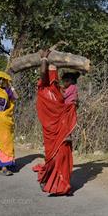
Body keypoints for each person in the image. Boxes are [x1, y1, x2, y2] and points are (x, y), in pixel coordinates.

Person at [32, 50, 77, 195]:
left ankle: (64, 184)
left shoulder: (59, 91)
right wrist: (44, 58)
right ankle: (47, 179)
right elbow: (43, 73)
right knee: (52, 158)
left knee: (64, 154)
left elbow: (67, 106)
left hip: (62, 129)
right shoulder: (43, 88)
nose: (54, 75)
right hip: (50, 131)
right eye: (52, 71)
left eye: (55, 71)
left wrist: (74, 104)